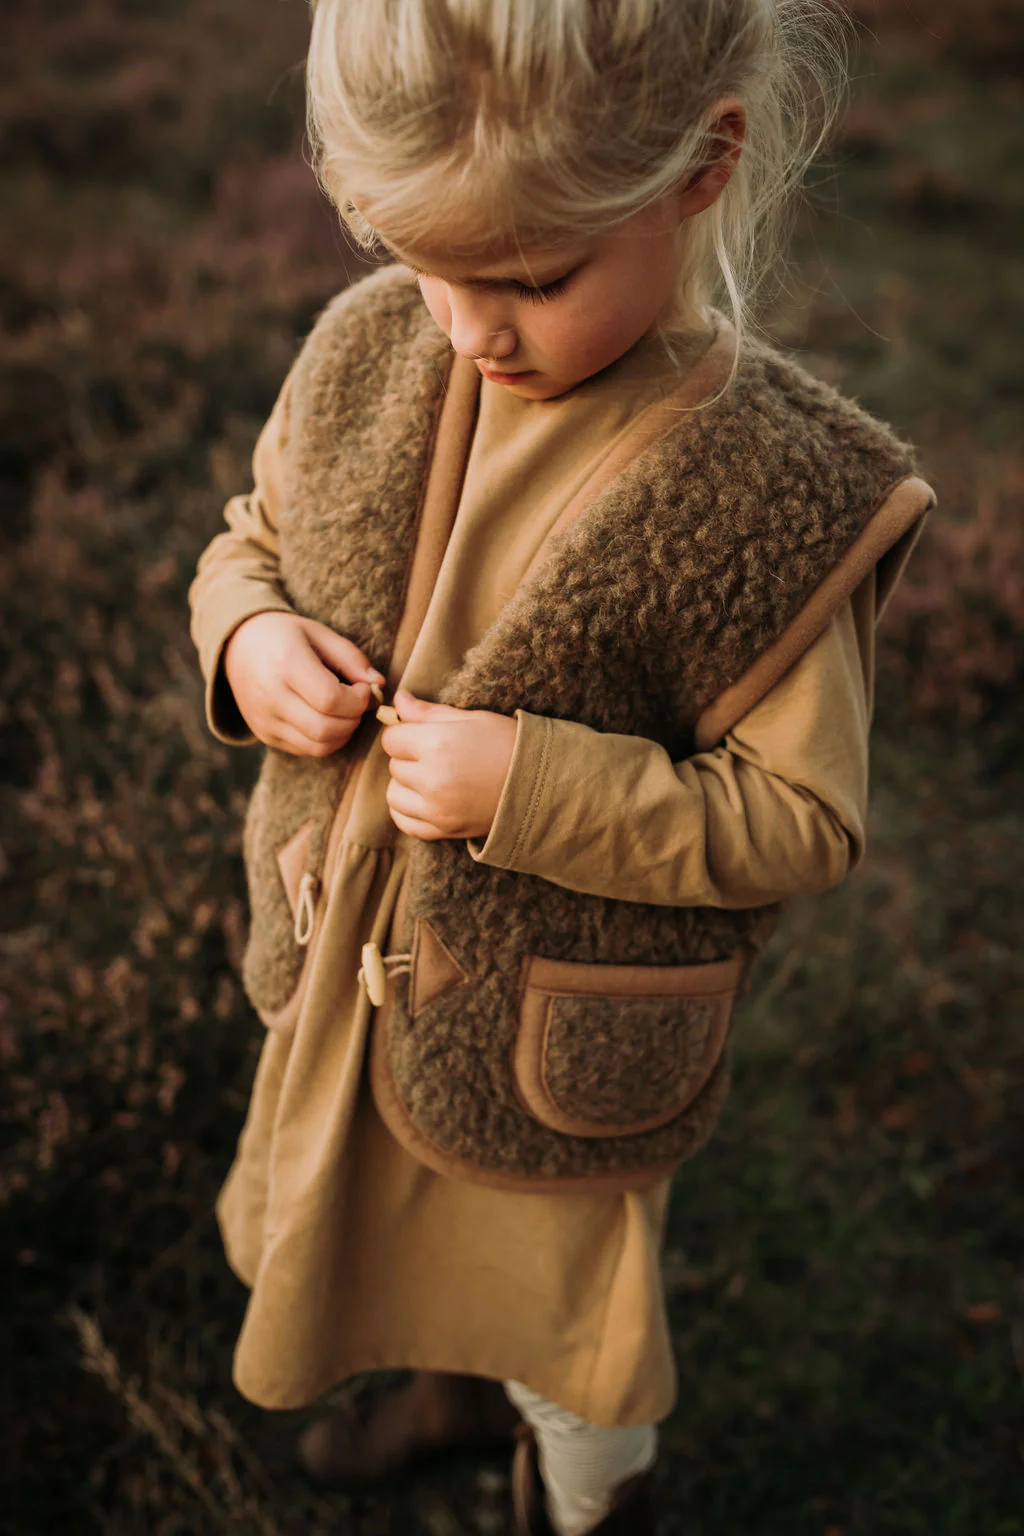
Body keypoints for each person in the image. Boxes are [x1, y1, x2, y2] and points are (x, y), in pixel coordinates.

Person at [187, 2, 936, 1531]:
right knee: (383, 1237)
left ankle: (588, 1503)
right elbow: (247, 542)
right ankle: (445, 1396)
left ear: (700, 169)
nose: (467, 328)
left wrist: (533, 790)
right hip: (355, 990)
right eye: (425, 263)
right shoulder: (367, 354)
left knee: (562, 1342)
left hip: (557, 1046)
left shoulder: (772, 495)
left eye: (530, 279)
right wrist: (249, 640)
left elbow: (802, 818)